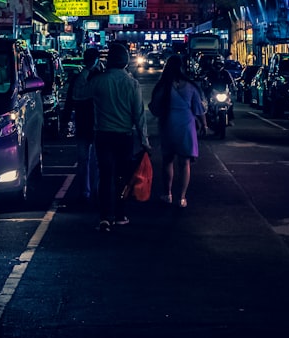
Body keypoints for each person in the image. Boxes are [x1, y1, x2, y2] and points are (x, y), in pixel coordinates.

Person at [76, 41, 150, 232]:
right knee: (122, 177)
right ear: (126, 61)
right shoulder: (132, 84)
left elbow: (78, 93)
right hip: (125, 136)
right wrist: (144, 140)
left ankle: (104, 217)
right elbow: (139, 115)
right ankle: (120, 214)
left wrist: (88, 69)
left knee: (105, 175)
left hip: (103, 135)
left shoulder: (99, 80)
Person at [149, 53, 206, 209]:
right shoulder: (190, 85)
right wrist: (203, 125)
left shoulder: (163, 86)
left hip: (168, 125)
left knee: (167, 161)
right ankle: (181, 198)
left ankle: (167, 194)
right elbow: (199, 109)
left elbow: (154, 108)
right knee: (185, 162)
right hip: (186, 125)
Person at [63, 47, 103, 205]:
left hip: (84, 123)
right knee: (96, 160)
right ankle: (95, 190)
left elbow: (69, 102)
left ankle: (86, 192)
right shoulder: (100, 77)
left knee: (84, 160)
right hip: (97, 124)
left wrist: (65, 121)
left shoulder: (79, 78)